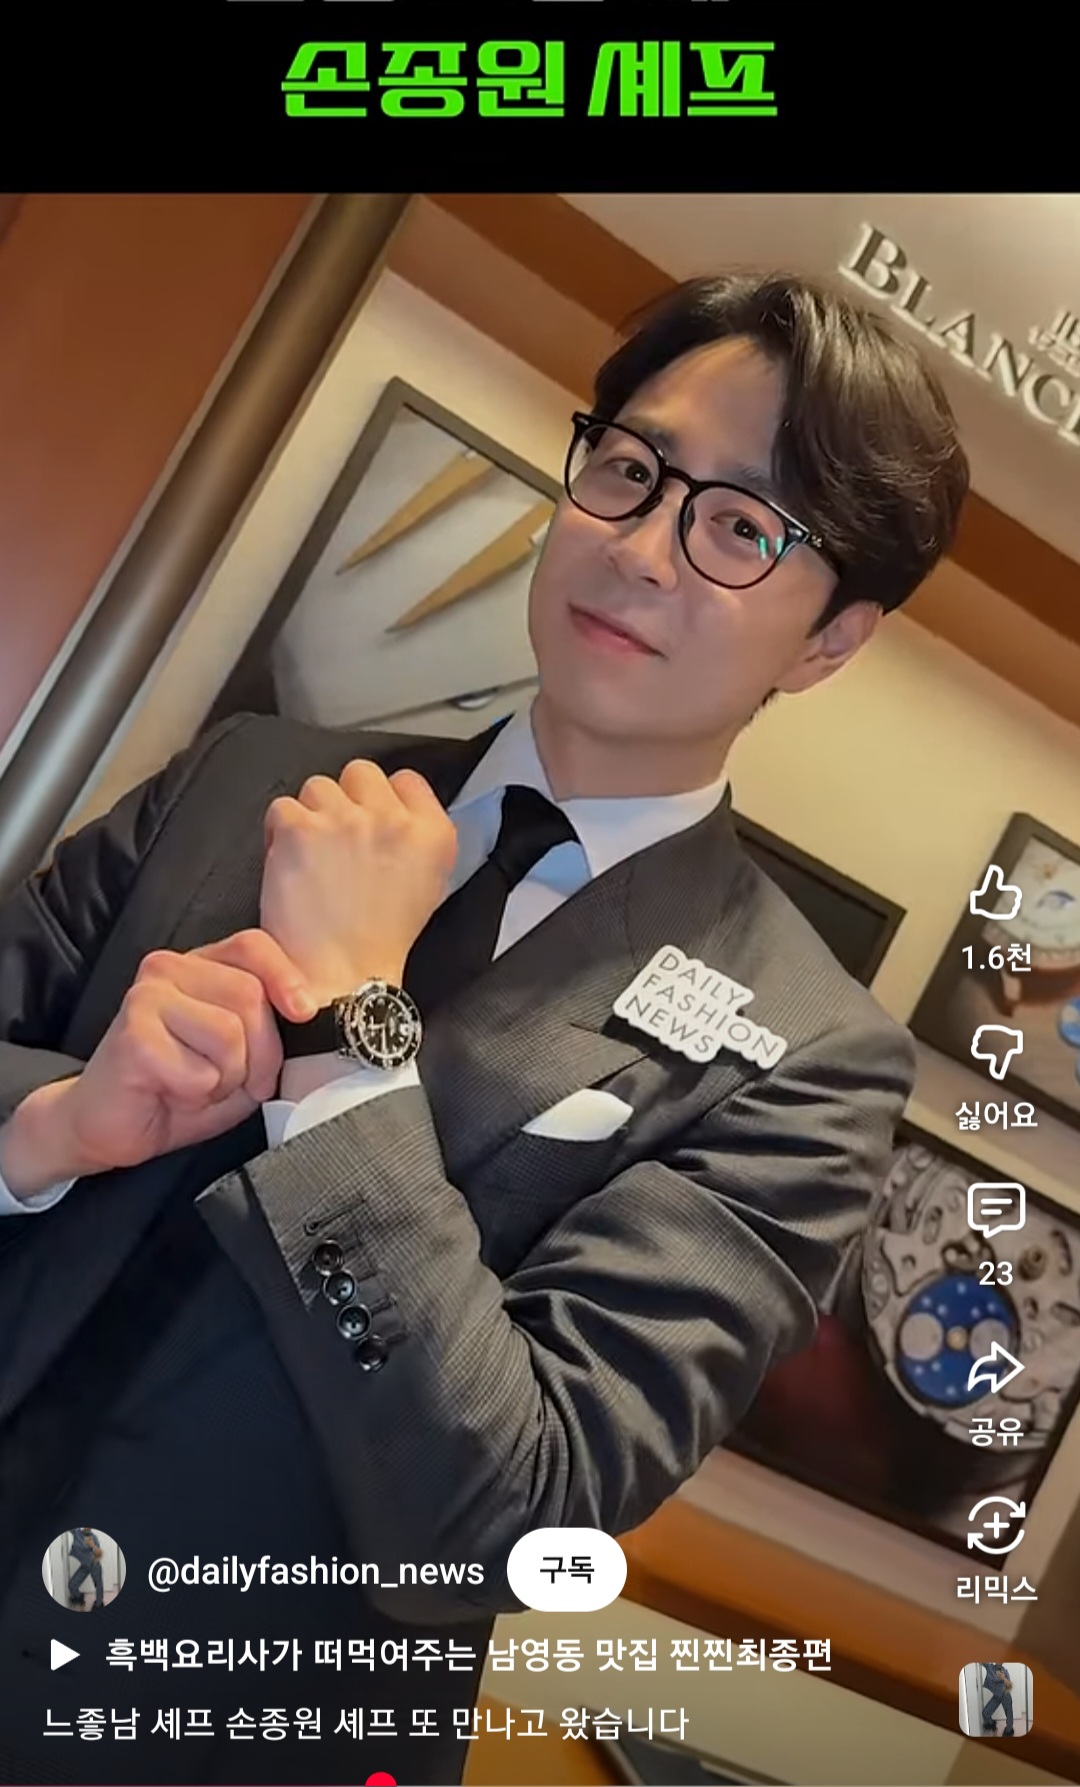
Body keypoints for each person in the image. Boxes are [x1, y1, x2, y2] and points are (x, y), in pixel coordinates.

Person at [0, 270, 968, 1786]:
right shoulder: (254, 774)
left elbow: (520, 1510)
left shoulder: (807, 1057)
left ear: (829, 641)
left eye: (739, 528)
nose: (640, 546)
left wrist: (349, 1032)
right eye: (632, 468)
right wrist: (54, 1126)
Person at [66, 1527, 104, 1610]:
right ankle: (80, 1600)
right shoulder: (76, 1533)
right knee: (72, 1584)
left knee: (99, 1586)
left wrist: (93, 1545)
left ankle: (98, 1605)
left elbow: (99, 1553)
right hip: (85, 1565)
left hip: (94, 1564)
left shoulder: (94, 1537)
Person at [982, 1662, 1015, 1735]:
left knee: (1009, 1715)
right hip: (997, 1696)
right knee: (985, 1712)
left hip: (1005, 1695)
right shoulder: (989, 1667)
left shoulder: (1005, 1671)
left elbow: (1009, 1685)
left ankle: (1008, 1732)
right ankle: (992, 1727)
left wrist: (1004, 1678)